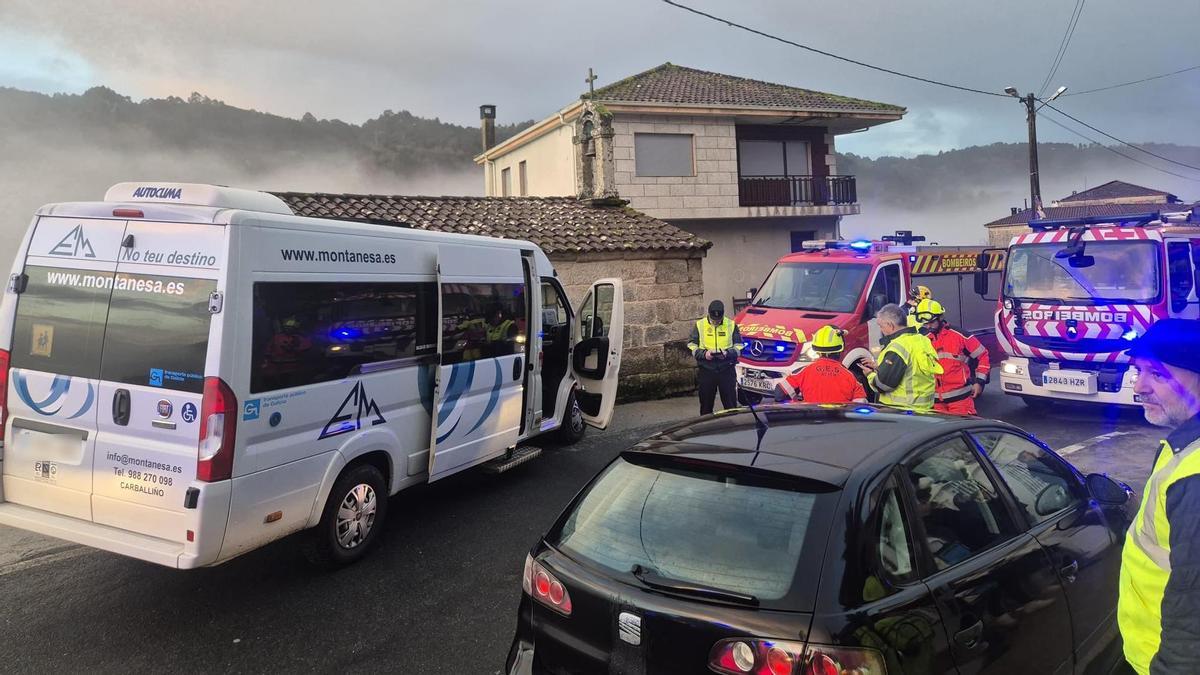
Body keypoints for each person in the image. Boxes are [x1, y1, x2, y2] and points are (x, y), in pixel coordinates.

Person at [1118, 319, 1200, 674]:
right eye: (1138, 371)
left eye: (1159, 375)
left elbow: (1193, 604)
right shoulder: (1182, 444)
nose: (1140, 387)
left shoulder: (1195, 477)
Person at [860, 303, 943, 411]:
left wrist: (870, 375)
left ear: (890, 325)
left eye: (881, 325)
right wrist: (879, 366)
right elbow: (912, 369)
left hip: (901, 412)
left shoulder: (897, 347)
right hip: (925, 409)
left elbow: (883, 385)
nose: (881, 329)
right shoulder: (921, 339)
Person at [915, 299, 991, 415]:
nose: (928, 326)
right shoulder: (922, 338)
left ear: (940, 318)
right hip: (935, 401)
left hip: (960, 400)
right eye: (926, 324)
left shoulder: (959, 335)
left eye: (931, 322)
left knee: (967, 430)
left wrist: (979, 382)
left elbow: (982, 355)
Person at [774, 325, 867, 404]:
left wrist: (797, 406)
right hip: (839, 424)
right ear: (841, 349)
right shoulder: (851, 377)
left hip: (811, 422)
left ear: (817, 350)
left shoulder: (804, 372)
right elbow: (859, 406)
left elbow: (780, 394)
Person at [687, 300, 744, 415]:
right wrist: (704, 354)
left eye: (718, 320)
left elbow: (739, 346)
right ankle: (707, 431)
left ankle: (733, 430)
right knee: (706, 407)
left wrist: (728, 353)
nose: (716, 322)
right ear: (708, 314)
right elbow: (691, 345)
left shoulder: (731, 325)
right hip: (707, 370)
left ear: (723, 315)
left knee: (731, 407)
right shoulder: (700, 325)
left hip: (726, 369)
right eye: (713, 320)